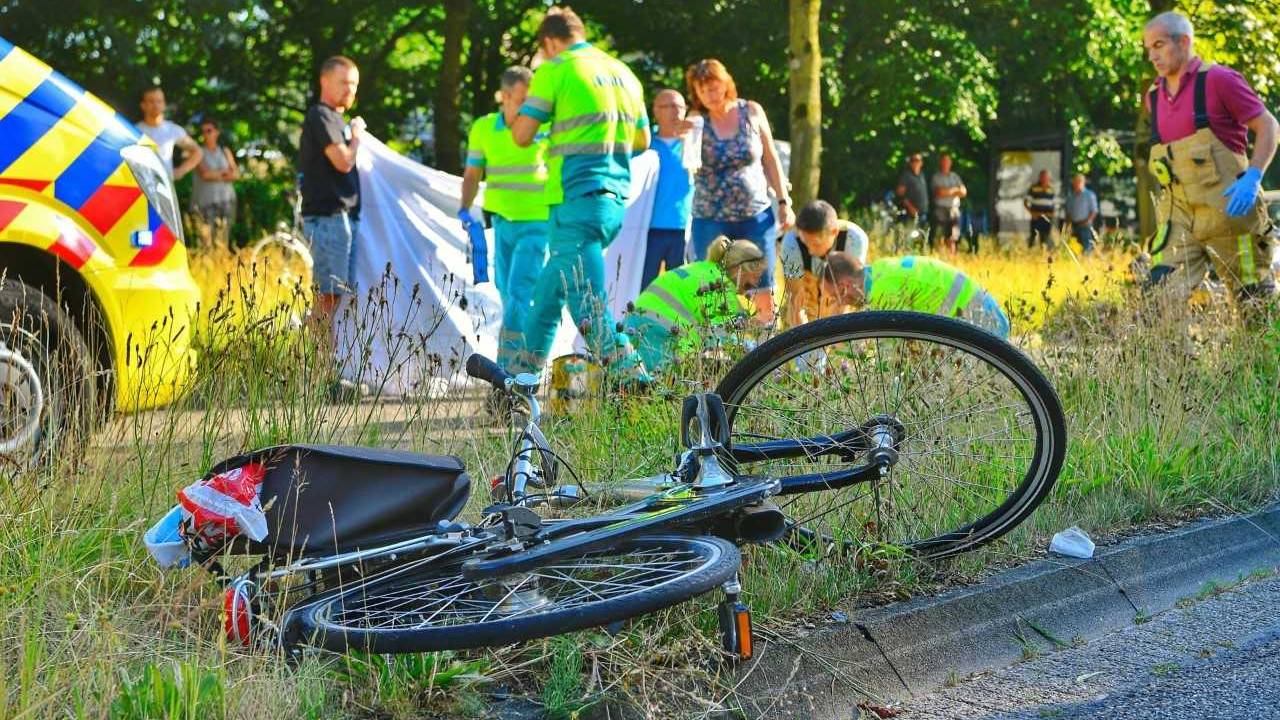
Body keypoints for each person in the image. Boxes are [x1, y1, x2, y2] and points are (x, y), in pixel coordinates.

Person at [509, 6, 651, 383]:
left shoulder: (556, 69)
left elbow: (521, 135)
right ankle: (516, 384)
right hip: (612, 201)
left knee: (587, 306)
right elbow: (643, 139)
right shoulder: (623, 73)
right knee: (547, 298)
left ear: (549, 42)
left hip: (575, 201)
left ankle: (637, 383)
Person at [1143, 11, 1278, 301]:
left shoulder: (1219, 80)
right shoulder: (1153, 96)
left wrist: (1254, 176)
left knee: (1254, 303)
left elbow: (1268, 126)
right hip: (1178, 220)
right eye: (1148, 48)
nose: (1152, 56)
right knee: (1159, 300)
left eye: (1159, 45)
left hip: (1231, 215)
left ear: (1183, 42)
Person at [686, 58, 794, 324]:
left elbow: (770, 159)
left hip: (755, 215)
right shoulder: (696, 121)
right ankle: (718, 346)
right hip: (710, 218)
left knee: (763, 288)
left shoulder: (751, 111)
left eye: (713, 87)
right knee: (712, 289)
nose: (709, 95)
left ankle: (768, 346)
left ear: (725, 84)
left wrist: (784, 201)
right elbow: (687, 161)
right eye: (702, 90)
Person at [460, 66, 550, 374]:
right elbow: (473, 173)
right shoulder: (484, 128)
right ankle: (526, 369)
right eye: (524, 100)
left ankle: (509, 374)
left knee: (519, 295)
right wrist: (464, 209)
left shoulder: (545, 127)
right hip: (502, 224)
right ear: (505, 96)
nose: (529, 109)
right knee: (507, 293)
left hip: (537, 223)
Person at [298, 55, 365, 396]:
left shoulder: (336, 120)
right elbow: (342, 161)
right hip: (327, 219)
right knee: (326, 299)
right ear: (325, 81)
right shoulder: (321, 116)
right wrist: (356, 137)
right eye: (344, 82)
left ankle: (323, 374)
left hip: (338, 219)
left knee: (332, 298)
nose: (350, 90)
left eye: (354, 84)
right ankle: (320, 378)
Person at [624, 235, 767, 374]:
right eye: (756, 276)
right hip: (662, 333)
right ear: (739, 269)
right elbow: (723, 342)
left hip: (632, 324)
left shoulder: (702, 267)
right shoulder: (722, 288)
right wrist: (758, 348)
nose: (755, 284)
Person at [819, 252, 1010, 338]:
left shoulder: (882, 294)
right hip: (980, 313)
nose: (838, 304)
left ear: (845, 286)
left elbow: (897, 354)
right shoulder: (880, 270)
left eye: (835, 297)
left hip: (983, 323)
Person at [780, 199, 869, 327]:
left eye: (816, 244)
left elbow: (846, 295)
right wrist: (804, 335)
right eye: (805, 243)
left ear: (834, 232)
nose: (810, 251)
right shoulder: (791, 243)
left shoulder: (854, 239)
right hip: (808, 303)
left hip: (836, 305)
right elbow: (795, 299)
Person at [642, 88, 695, 289]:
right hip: (647, 229)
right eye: (669, 106)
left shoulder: (694, 145)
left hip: (683, 229)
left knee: (682, 291)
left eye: (680, 106)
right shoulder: (645, 143)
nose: (675, 111)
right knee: (644, 288)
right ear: (656, 110)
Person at [190, 118, 239, 248]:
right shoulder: (198, 152)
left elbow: (235, 174)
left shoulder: (225, 151)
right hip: (205, 203)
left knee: (223, 240)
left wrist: (216, 174)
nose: (206, 134)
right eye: (203, 131)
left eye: (209, 131)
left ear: (217, 132)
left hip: (226, 200)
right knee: (206, 243)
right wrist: (225, 173)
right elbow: (205, 174)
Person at [135, 86, 202, 180]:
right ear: (143, 105)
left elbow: (198, 151)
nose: (156, 105)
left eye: (159, 101)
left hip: (164, 186)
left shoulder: (173, 130)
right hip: (138, 185)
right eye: (151, 101)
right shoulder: (134, 131)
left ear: (164, 104)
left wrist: (181, 171)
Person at [930, 154, 966, 256]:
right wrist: (955, 190)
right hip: (940, 210)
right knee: (940, 235)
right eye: (944, 161)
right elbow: (939, 192)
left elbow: (963, 192)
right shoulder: (936, 177)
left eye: (948, 161)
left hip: (954, 210)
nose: (946, 163)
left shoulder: (955, 176)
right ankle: (940, 256)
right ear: (941, 163)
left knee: (953, 236)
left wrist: (948, 191)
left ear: (950, 163)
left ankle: (951, 257)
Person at [1065, 174, 1099, 255]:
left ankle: (1086, 260)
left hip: (1085, 225)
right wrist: (1068, 224)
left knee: (1086, 248)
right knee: (1073, 248)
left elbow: (1094, 211)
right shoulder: (1071, 196)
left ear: (1083, 182)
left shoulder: (1089, 195)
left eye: (1078, 182)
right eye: (1075, 182)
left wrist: (1087, 221)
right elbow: (1068, 212)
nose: (1076, 184)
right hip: (1074, 225)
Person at [1024, 169, 1056, 249]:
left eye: (1046, 177)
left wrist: (1052, 214)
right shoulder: (1033, 188)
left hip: (1047, 218)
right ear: (1040, 177)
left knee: (1045, 237)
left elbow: (1054, 204)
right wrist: (1032, 213)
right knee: (1033, 236)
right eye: (1043, 177)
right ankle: (1030, 252)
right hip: (1036, 217)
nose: (1044, 178)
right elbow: (1025, 202)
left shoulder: (1052, 189)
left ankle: (1043, 252)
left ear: (1049, 178)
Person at [895, 153, 929, 228]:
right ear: (910, 163)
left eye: (917, 160)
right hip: (911, 214)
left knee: (922, 234)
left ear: (921, 163)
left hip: (923, 214)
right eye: (913, 160)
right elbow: (900, 194)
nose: (915, 162)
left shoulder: (922, 175)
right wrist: (910, 207)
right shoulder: (906, 176)